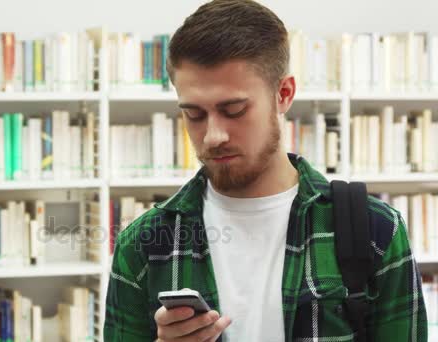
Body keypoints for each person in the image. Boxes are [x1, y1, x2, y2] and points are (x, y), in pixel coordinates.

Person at [103, 0, 428, 341]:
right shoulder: (142, 244)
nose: (213, 137)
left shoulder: (376, 230)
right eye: (194, 114)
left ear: (283, 94)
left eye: (234, 109)